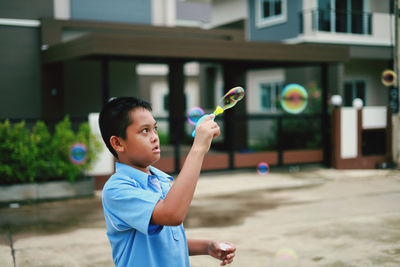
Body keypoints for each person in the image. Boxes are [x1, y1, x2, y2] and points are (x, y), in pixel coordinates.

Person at [99, 96, 236, 267]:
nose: (155, 137)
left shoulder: (162, 180)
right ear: (118, 143)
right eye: (144, 131)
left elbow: (168, 241)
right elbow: (172, 215)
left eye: (154, 128)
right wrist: (198, 149)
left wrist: (207, 246)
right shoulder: (117, 189)